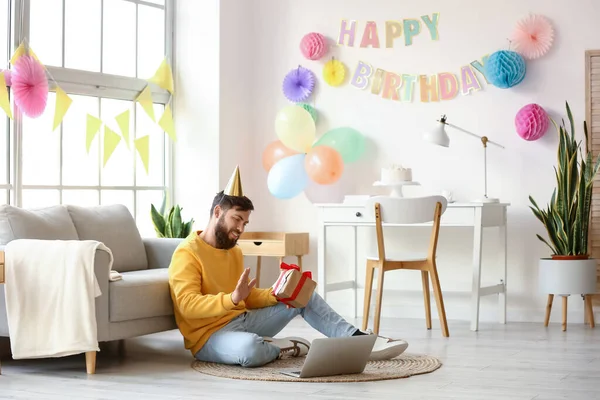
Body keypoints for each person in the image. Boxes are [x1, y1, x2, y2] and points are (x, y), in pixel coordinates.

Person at [168, 166, 408, 368]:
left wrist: (278, 291)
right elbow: (187, 307)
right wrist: (232, 299)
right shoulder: (187, 253)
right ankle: (283, 347)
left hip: (242, 321)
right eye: (237, 219)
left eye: (245, 222)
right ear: (218, 212)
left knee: (302, 295)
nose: (241, 229)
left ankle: (358, 340)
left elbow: (245, 299)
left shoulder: (234, 250)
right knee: (250, 349)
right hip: (209, 337)